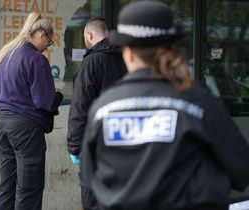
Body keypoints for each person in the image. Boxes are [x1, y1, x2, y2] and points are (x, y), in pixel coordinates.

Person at [81, 1, 249, 210]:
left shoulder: (102, 109)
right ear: (171, 48)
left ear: (128, 52)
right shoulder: (198, 103)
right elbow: (241, 170)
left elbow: (91, 180)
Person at [0, 12, 63, 210]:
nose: (48, 46)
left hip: (3, 125)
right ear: (41, 34)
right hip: (26, 129)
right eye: (49, 41)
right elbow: (45, 101)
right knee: (29, 188)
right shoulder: (36, 60)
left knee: (7, 186)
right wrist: (58, 96)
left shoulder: (5, 55)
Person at [67, 17, 127, 210]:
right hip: (125, 144)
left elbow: (80, 107)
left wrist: (74, 146)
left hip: (96, 146)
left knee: (93, 201)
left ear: (90, 35)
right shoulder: (128, 59)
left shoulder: (91, 62)